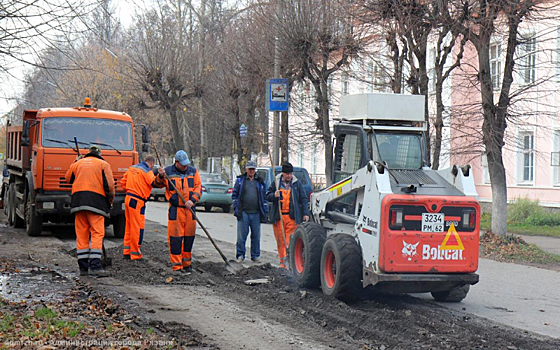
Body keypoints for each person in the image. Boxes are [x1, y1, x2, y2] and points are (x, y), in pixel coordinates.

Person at [65, 146, 115, 277]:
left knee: (81, 235)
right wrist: (109, 202)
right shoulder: (104, 164)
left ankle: (83, 268)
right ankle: (95, 266)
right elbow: (110, 187)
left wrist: (75, 162)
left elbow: (67, 178)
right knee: (97, 234)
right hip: (96, 204)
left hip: (78, 203)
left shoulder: (78, 163)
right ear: (99, 154)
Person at [154, 150, 201, 273]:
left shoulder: (193, 172)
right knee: (175, 238)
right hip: (176, 210)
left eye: (186, 164)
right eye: (183, 164)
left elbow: (198, 188)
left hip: (190, 210)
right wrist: (160, 176)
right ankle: (177, 266)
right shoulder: (168, 172)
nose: (185, 166)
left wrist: (192, 200)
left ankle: (187, 264)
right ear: (176, 162)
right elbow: (156, 184)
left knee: (189, 238)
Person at [266, 162, 310, 268]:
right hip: (279, 217)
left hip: (292, 218)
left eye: (290, 174)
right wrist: (274, 195)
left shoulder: (296, 184)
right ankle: (282, 262)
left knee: (289, 241)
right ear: (283, 174)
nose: (289, 176)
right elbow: (267, 195)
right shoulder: (276, 182)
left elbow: (303, 199)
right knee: (280, 241)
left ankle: (289, 261)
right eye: (287, 174)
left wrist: (306, 213)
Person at [121, 155, 164, 261]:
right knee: (137, 227)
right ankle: (135, 254)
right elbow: (154, 183)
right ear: (152, 163)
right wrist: (161, 176)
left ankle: (127, 252)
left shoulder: (132, 168)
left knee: (129, 226)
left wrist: (131, 188)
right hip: (137, 201)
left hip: (128, 198)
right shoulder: (147, 171)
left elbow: (123, 183)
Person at [232, 160, 269, 263]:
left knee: (256, 236)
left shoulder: (260, 182)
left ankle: (255, 256)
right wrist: (236, 206)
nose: (252, 171)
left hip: (256, 213)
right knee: (241, 236)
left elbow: (264, 197)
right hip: (243, 213)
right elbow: (234, 195)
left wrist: (265, 209)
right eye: (250, 169)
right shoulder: (240, 181)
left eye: (253, 169)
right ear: (246, 169)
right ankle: (240, 255)